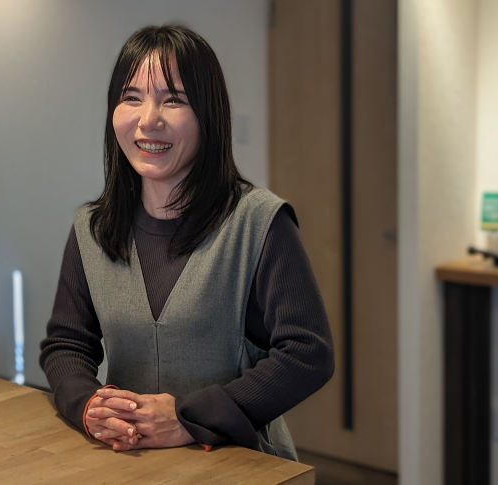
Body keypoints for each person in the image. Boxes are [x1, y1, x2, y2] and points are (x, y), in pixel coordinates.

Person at [39, 25, 334, 461]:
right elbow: (66, 344)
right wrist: (90, 406)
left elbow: (308, 353)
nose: (148, 119)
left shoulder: (260, 222)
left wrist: (188, 417)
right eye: (132, 97)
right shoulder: (92, 227)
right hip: (131, 463)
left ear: (207, 114)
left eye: (173, 99)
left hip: (239, 464)